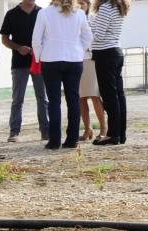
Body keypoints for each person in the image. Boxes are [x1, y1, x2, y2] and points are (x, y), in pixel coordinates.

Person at [32, 0, 93, 150]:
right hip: (74, 60)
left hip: (51, 59)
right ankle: (72, 139)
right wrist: (79, 51)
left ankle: (54, 141)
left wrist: (39, 56)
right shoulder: (79, 13)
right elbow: (88, 37)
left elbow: (36, 40)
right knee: (73, 99)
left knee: (53, 101)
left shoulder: (44, 13)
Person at [0, 0, 49, 142]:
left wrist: (39, 49)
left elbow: (49, 36)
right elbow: (4, 39)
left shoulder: (42, 13)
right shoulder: (12, 14)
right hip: (19, 63)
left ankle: (45, 131)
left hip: (38, 61)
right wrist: (18, 48)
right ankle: (14, 132)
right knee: (17, 99)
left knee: (43, 98)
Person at [90, 0, 128, 145]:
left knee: (110, 97)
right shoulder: (118, 6)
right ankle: (120, 134)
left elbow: (98, 36)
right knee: (119, 96)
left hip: (105, 54)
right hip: (115, 52)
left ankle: (112, 135)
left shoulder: (106, 7)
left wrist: (84, 35)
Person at [77, 0, 107, 141]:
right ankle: (88, 130)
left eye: (82, 2)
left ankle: (103, 128)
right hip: (76, 60)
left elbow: (96, 38)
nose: (79, 5)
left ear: (88, 5)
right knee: (81, 98)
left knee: (94, 96)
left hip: (90, 60)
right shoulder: (72, 19)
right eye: (77, 2)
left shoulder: (93, 19)